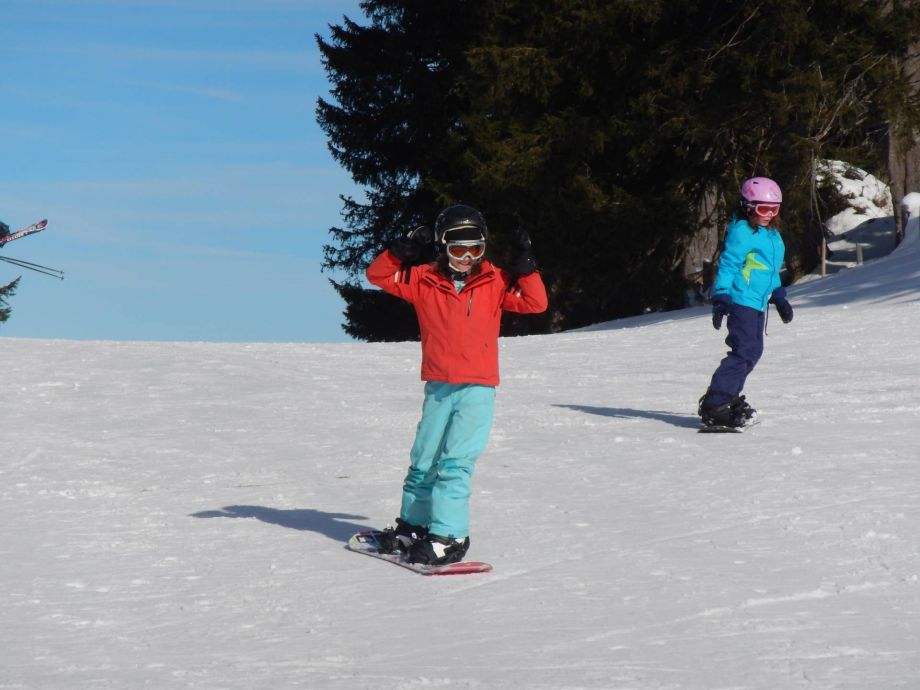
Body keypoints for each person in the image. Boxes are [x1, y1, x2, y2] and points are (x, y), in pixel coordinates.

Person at [365, 203, 548, 565]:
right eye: (458, 248)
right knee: (423, 461)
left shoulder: (495, 281)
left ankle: (450, 535)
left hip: (477, 389)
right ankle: (414, 526)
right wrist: (398, 251)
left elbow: (536, 303)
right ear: (442, 247)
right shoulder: (422, 281)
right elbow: (378, 276)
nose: (466, 257)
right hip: (438, 386)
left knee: (454, 464)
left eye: (475, 249)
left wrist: (526, 267)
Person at [698, 177, 794, 429]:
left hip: (757, 303)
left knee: (752, 352)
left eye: (774, 209)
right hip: (741, 301)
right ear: (748, 206)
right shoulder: (743, 232)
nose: (769, 215)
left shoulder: (769, 233)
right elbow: (729, 265)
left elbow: (769, 270)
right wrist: (720, 296)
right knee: (745, 351)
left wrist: (778, 295)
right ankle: (716, 404)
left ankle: (726, 397)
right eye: (764, 209)